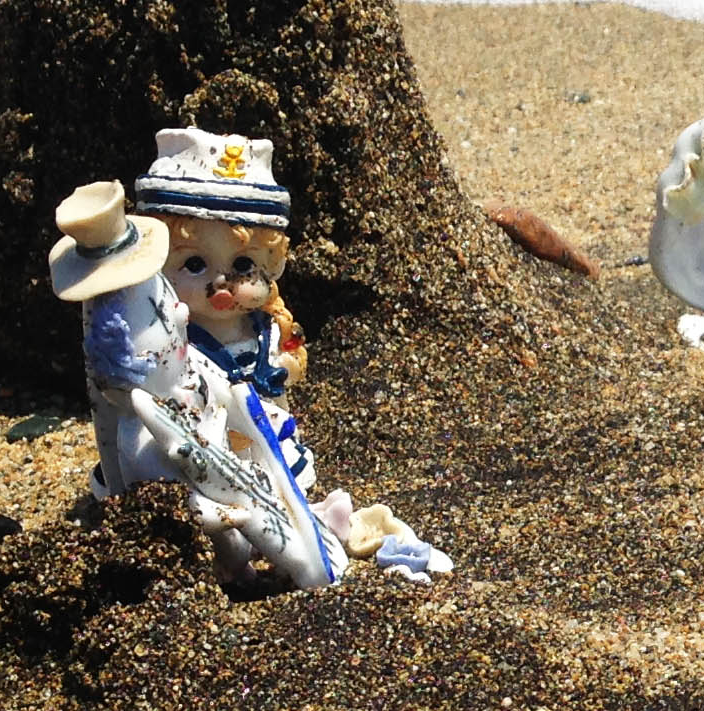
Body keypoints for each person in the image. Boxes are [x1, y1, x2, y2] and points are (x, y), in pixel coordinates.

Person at [50, 128, 450, 590]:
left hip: (262, 439)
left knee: (275, 478)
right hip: (201, 440)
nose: (221, 284)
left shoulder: (263, 330)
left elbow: (280, 373)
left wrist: (280, 369)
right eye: (194, 265)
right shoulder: (174, 333)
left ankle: (295, 523)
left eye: (243, 266)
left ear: (272, 265)